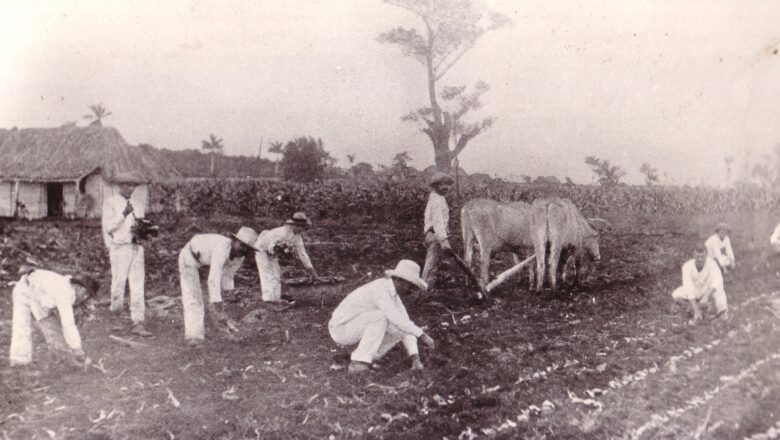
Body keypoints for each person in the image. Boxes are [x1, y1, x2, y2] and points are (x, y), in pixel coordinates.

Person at [329, 260, 435, 373]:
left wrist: (415, 358)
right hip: (341, 328)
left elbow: (405, 323)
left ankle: (370, 358)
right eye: (409, 285)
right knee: (381, 317)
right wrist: (422, 335)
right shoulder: (379, 288)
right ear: (399, 280)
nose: (410, 290)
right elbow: (396, 319)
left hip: (355, 326)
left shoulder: (394, 296)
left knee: (400, 327)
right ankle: (358, 363)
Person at [179, 226, 260, 346]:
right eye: (241, 245)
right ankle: (194, 338)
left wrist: (229, 297)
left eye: (247, 248)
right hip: (189, 257)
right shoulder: (222, 248)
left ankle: (211, 332)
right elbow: (214, 279)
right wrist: (218, 305)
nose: (243, 250)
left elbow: (228, 277)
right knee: (194, 299)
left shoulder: (240, 256)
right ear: (234, 241)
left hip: (204, 261)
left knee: (209, 300)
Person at [9, 268, 99, 368]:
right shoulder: (64, 291)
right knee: (22, 325)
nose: (85, 297)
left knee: (51, 325)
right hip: (24, 289)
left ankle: (65, 359)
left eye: (88, 296)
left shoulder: (68, 289)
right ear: (80, 287)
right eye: (86, 294)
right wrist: (77, 348)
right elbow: (68, 323)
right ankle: (19, 362)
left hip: (37, 294)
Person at [101, 170, 151, 337]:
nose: (131, 189)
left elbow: (140, 224)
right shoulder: (111, 203)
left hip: (136, 247)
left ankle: (138, 322)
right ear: (120, 186)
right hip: (120, 247)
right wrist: (124, 214)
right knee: (119, 283)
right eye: (128, 185)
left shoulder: (138, 203)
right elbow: (108, 227)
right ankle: (116, 318)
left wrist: (146, 230)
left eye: (134, 185)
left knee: (137, 285)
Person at [254, 212, 321, 304]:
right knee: (267, 273)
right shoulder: (282, 232)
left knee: (276, 273)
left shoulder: (298, 237)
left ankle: (275, 299)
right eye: (298, 226)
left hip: (272, 253)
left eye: (302, 227)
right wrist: (282, 252)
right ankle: (268, 300)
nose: (300, 229)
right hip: (261, 249)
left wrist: (313, 273)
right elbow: (271, 247)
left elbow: (303, 254)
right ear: (293, 225)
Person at [672, 244, 729, 323]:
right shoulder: (687, 266)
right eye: (697, 257)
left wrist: (706, 296)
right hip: (694, 290)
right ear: (693, 255)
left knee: (719, 289)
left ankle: (722, 312)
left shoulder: (712, 263)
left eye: (702, 256)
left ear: (706, 255)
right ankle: (696, 307)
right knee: (676, 294)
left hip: (707, 290)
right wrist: (696, 311)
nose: (700, 259)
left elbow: (717, 280)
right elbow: (688, 287)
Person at [422, 172, 455, 286]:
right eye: (441, 184)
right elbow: (438, 221)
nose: (445, 187)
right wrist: (443, 240)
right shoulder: (437, 200)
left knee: (436, 262)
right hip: (435, 235)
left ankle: (430, 286)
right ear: (436, 186)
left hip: (432, 234)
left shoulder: (437, 197)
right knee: (431, 263)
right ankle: (425, 288)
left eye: (447, 184)